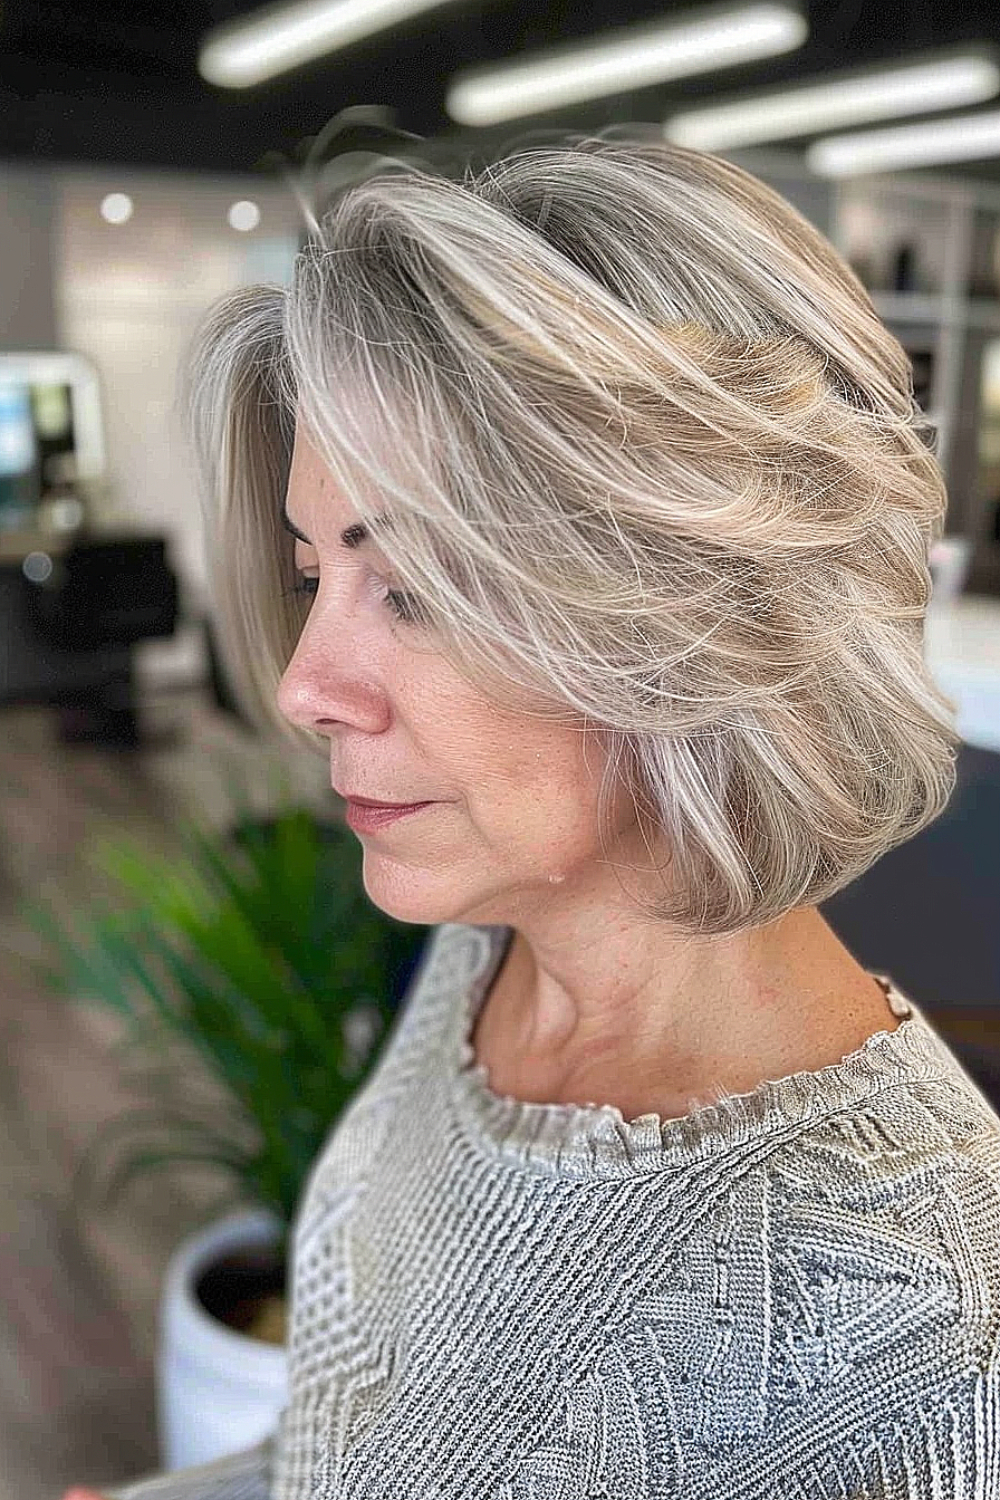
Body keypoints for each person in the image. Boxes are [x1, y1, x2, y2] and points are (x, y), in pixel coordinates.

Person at [70, 129, 999, 1499]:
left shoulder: (926, 1343)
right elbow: (367, 1425)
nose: (304, 689)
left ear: (696, 623)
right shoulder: (486, 947)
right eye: (309, 568)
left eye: (421, 589)